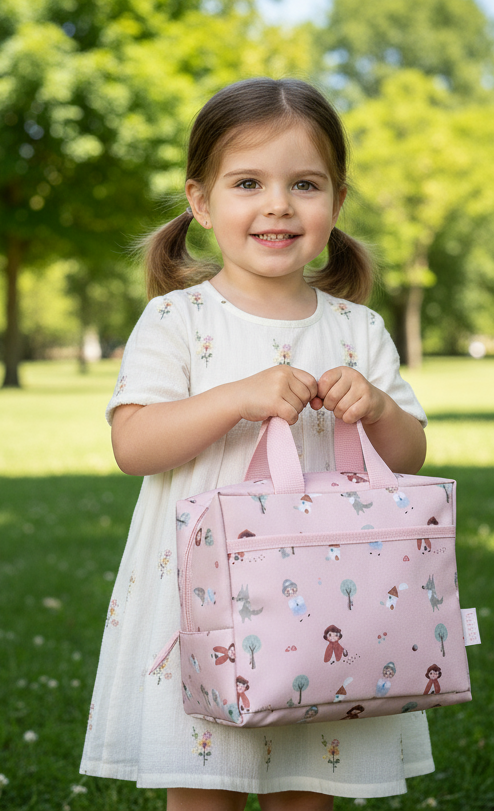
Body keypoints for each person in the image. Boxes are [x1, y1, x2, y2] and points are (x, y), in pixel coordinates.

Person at [80, 77, 432, 811]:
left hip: (332, 601)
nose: (278, 205)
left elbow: (409, 456)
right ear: (201, 203)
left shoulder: (356, 330)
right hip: (205, 601)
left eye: (304, 184)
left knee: (309, 783)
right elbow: (133, 442)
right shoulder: (177, 320)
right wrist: (235, 397)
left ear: (336, 201)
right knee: (205, 785)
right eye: (248, 183)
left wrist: (372, 411)